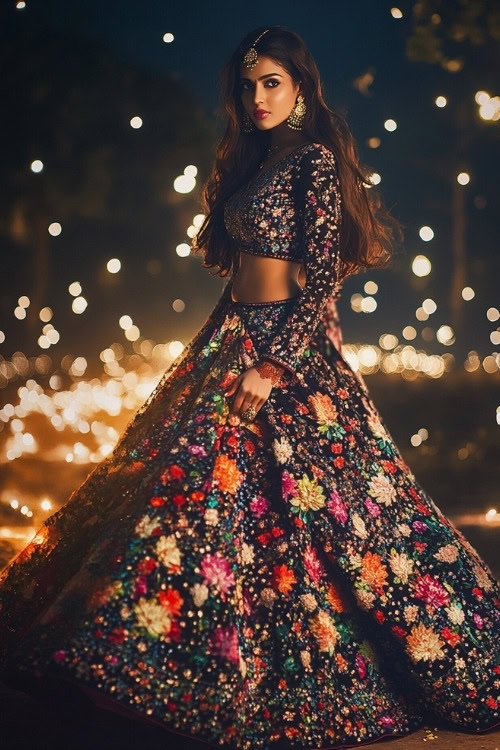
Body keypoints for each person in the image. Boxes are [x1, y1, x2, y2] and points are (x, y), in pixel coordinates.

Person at [0, 24, 499, 750]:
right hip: (232, 338)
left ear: (300, 88)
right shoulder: (251, 160)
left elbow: (322, 277)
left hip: (287, 358)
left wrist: (275, 365)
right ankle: (141, 666)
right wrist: (228, 345)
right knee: (186, 497)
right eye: (247, 83)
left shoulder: (315, 163)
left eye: (272, 82)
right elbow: (240, 270)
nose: (257, 96)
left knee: (343, 517)